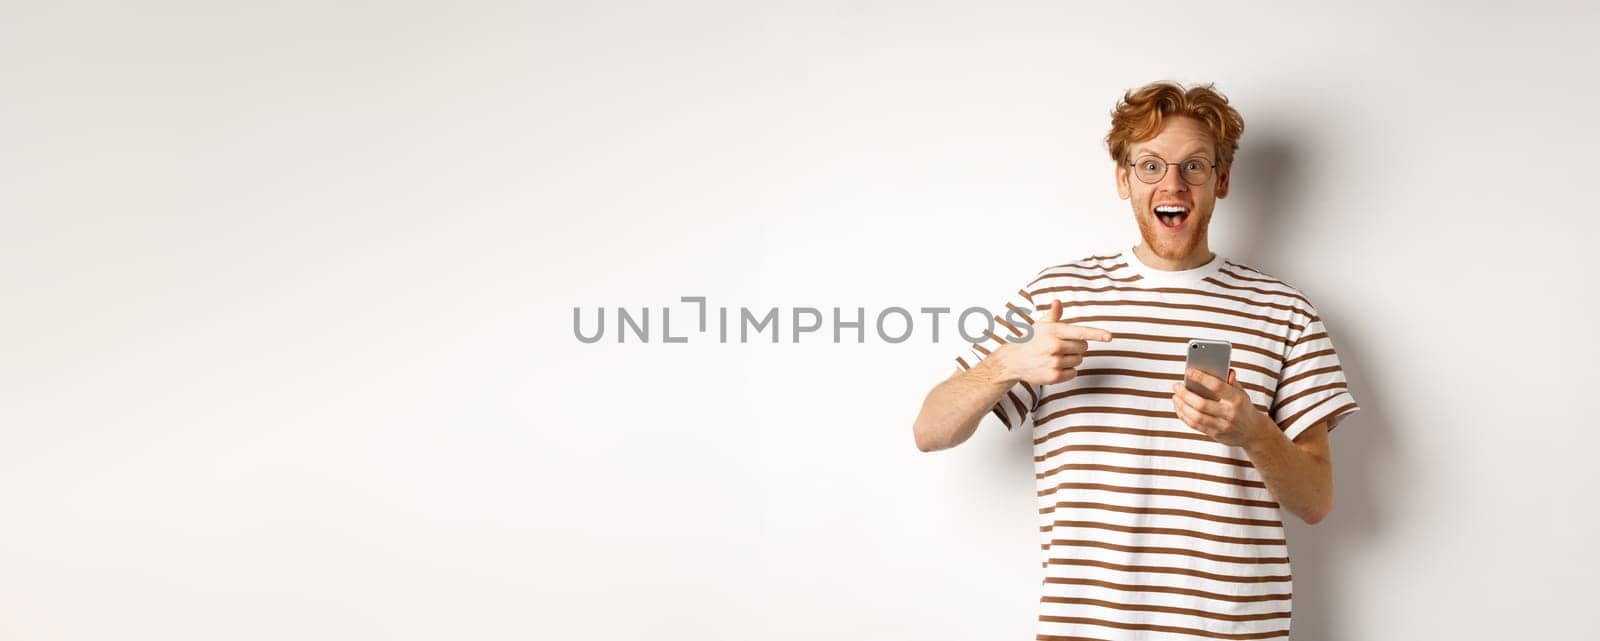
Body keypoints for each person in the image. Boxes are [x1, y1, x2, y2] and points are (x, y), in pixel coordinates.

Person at [910, 81, 1359, 640]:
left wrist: (1254, 434)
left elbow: (1316, 501)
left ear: (1221, 179)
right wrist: (1006, 365)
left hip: (1233, 630)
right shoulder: (1058, 296)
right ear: (1123, 180)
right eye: (1151, 166)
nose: (1172, 183)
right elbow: (930, 430)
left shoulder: (1285, 311)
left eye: (1194, 166)